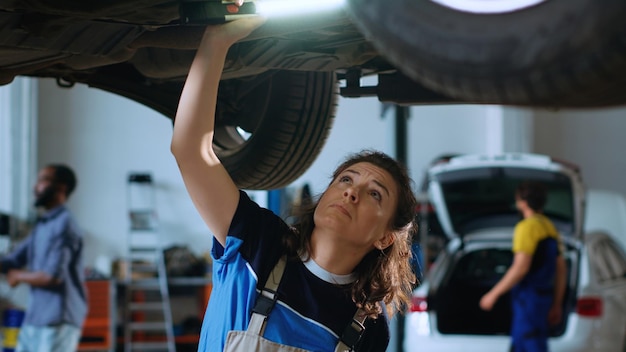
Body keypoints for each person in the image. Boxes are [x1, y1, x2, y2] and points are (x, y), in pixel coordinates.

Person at [170, 5, 418, 351]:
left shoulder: (366, 330)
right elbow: (190, 151)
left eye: (374, 193)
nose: (351, 193)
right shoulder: (258, 241)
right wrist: (217, 41)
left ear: (385, 238)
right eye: (346, 180)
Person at [0, 164, 87, 352]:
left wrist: (18, 276)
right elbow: (13, 260)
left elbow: (52, 276)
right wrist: (11, 270)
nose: (35, 186)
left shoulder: (65, 224)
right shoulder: (44, 224)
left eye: (43, 180)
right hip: (36, 316)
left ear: (61, 187)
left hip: (58, 318)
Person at [479, 181, 567, 352]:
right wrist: (557, 304)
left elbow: (520, 268)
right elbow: (561, 269)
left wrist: (493, 294)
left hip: (528, 299)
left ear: (522, 202)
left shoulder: (526, 228)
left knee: (528, 343)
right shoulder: (550, 227)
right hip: (544, 298)